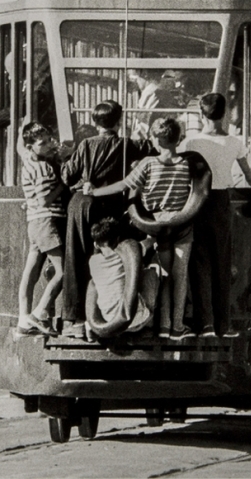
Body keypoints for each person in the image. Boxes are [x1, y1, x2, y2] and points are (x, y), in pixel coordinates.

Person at [85, 117, 195, 340]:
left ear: (155, 139)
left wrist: (94, 192)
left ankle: (163, 326)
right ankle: (177, 326)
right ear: (178, 139)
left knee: (163, 274)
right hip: (182, 226)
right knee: (180, 275)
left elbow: (123, 185)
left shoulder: (148, 163)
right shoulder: (186, 164)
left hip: (156, 226)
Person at [59, 100, 150, 339]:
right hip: (108, 207)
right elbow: (152, 151)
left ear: (94, 122)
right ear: (120, 122)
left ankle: (74, 320)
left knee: (76, 257)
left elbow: (68, 177)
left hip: (80, 205)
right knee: (108, 260)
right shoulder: (127, 145)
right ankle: (106, 314)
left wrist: (67, 158)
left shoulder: (85, 144)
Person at [181, 92, 251, 337]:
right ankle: (224, 324)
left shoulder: (191, 142)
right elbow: (249, 175)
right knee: (222, 262)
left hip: (197, 201)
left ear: (201, 114)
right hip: (222, 202)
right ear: (224, 114)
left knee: (199, 263)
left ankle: (204, 324)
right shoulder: (234, 142)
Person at [17, 121, 66, 336]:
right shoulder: (43, 167)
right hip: (48, 221)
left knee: (30, 273)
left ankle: (23, 318)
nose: (47, 145)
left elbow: (19, 146)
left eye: (48, 141)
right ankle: (39, 312)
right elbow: (46, 199)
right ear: (31, 147)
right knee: (62, 271)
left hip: (34, 223)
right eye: (42, 143)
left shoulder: (27, 160)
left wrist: (21, 130)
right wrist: (64, 183)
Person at [86, 217, 160, 338]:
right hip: (136, 322)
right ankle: (149, 324)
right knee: (150, 274)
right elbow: (150, 240)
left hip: (108, 321)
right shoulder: (129, 253)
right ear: (118, 240)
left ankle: (89, 326)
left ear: (96, 244)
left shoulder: (93, 262)